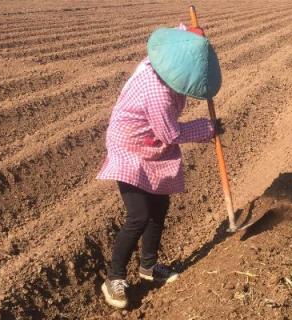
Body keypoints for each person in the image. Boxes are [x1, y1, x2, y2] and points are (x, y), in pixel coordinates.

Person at [96, 24, 221, 309]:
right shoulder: (158, 92)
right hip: (129, 148)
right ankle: (114, 278)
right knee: (138, 216)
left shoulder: (164, 62)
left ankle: (149, 267)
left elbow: (183, 38)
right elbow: (170, 135)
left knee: (159, 208)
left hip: (150, 146)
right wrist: (207, 128)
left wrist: (193, 34)